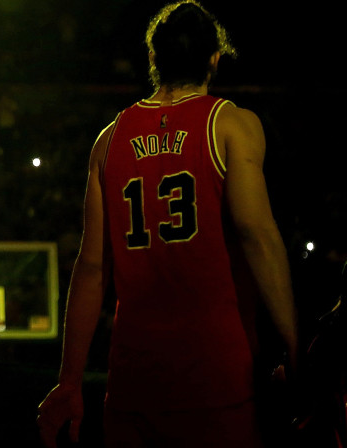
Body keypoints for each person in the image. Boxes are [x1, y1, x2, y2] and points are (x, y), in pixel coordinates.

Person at [37, 2, 299, 447]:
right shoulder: (232, 125)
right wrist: (296, 349)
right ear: (215, 57)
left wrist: (69, 380)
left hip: (134, 385)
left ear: (153, 58)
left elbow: (92, 269)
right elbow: (258, 236)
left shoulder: (110, 139)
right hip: (218, 380)